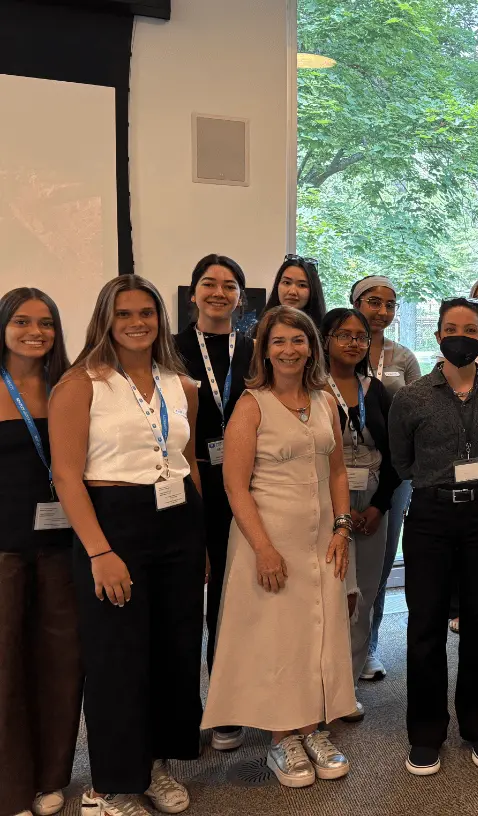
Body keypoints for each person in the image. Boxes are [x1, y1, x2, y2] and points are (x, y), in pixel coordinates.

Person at [49, 276, 205, 816]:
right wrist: (99, 551)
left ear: (161, 319)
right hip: (113, 525)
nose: (138, 322)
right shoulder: (80, 384)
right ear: (106, 321)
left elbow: (185, 466)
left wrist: (199, 541)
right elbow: (67, 477)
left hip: (178, 521)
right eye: (125, 314)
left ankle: (152, 764)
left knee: (173, 652)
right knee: (118, 658)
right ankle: (110, 785)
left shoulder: (178, 382)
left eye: (147, 312)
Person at [200, 306, 355, 789]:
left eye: (298, 340)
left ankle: (313, 728)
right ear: (264, 351)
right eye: (279, 342)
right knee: (276, 637)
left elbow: (337, 471)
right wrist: (264, 548)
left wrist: (342, 528)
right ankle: (280, 738)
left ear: (312, 346)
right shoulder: (252, 404)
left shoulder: (325, 400)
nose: (289, 350)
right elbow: (234, 485)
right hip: (266, 541)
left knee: (318, 632)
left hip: (322, 539)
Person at [390, 297, 478, 776]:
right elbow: (402, 460)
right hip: (431, 515)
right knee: (425, 624)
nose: (460, 334)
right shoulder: (412, 398)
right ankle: (425, 734)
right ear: (439, 335)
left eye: (470, 327)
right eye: (450, 327)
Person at [0, 289, 80, 816]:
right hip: (3, 548)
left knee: (60, 664)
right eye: (23, 322)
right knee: (6, 667)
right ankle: (10, 788)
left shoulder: (69, 386)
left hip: (62, 546)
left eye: (46, 323)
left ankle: (52, 777)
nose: (36, 331)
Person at [172, 254, 255, 752]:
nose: (219, 293)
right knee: (186, 599)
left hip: (244, 485)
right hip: (186, 484)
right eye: (209, 284)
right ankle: (186, 709)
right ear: (193, 294)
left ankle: (228, 705)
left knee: (232, 596)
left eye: (229, 286)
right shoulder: (171, 348)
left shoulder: (254, 350)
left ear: (241, 297)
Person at [319, 308, 400, 704]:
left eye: (360, 337)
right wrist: (336, 511)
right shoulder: (313, 389)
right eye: (343, 335)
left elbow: (396, 456)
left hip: (371, 502)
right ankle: (319, 685)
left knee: (364, 594)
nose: (353, 343)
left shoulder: (377, 391)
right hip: (323, 500)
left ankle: (347, 688)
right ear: (325, 340)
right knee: (328, 593)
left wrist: (379, 506)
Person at [349, 275, 422, 682]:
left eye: (390, 305)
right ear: (356, 301)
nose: (382, 311)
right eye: (373, 302)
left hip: (392, 474)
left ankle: (370, 646)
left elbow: (418, 410)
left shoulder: (403, 357)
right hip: (342, 469)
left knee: (377, 567)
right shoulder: (340, 348)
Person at [263, 254, 326, 328]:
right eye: (286, 282)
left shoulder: (325, 333)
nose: (292, 292)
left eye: (302, 285)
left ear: (313, 291)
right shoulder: (260, 328)